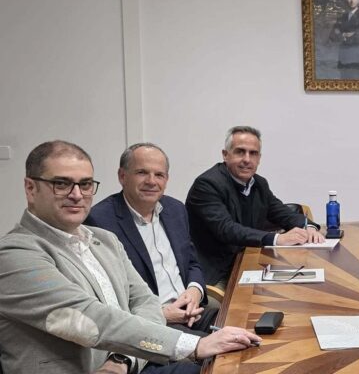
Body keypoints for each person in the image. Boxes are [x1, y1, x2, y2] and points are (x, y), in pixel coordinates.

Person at [0, 140, 260, 374]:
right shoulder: (14, 255)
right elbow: (87, 318)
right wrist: (196, 345)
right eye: (61, 183)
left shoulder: (104, 240)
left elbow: (145, 301)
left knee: (246, 354)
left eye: (85, 184)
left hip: (130, 361)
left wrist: (123, 360)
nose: (77, 195)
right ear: (31, 188)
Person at [86, 143, 219, 337]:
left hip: (193, 311)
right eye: (142, 172)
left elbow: (191, 262)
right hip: (153, 324)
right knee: (223, 355)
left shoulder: (175, 209)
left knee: (245, 326)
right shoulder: (100, 221)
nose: (151, 181)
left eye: (159, 175)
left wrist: (194, 291)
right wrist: (162, 314)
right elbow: (108, 295)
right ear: (122, 176)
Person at [187, 126, 323, 288]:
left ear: (259, 158)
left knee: (299, 289)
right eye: (240, 152)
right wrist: (277, 239)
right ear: (225, 155)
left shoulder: (259, 183)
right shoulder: (208, 184)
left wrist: (309, 227)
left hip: (250, 262)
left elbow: (282, 213)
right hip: (217, 274)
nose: (247, 159)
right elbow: (227, 229)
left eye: (253, 153)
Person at [329, 0, 359, 79]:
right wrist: (343, 35)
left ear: (358, 0)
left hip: (358, 56)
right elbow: (332, 35)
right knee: (344, 82)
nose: (352, 1)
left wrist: (351, 34)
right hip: (344, 56)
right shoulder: (342, 17)